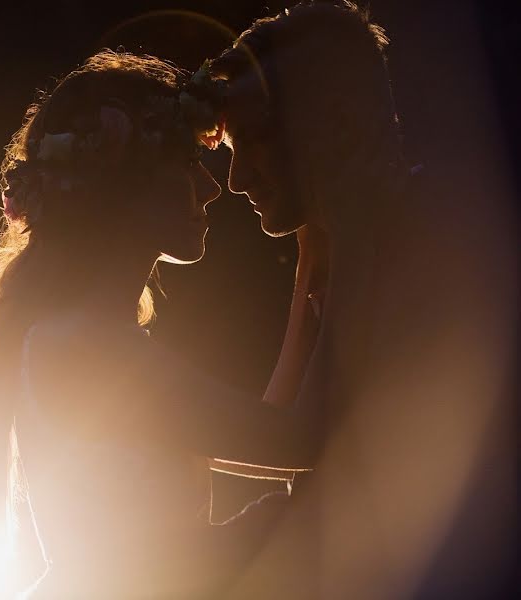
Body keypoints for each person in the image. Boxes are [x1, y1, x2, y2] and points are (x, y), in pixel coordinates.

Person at [0, 50, 322, 598]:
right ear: (126, 182)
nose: (211, 188)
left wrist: (312, 254)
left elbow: (283, 431)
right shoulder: (84, 349)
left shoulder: (77, 339)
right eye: (188, 163)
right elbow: (297, 441)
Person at [210, 2, 518, 597]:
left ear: (333, 124)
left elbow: (329, 441)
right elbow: (283, 424)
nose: (237, 178)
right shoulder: (332, 254)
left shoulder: (445, 238)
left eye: (254, 141)